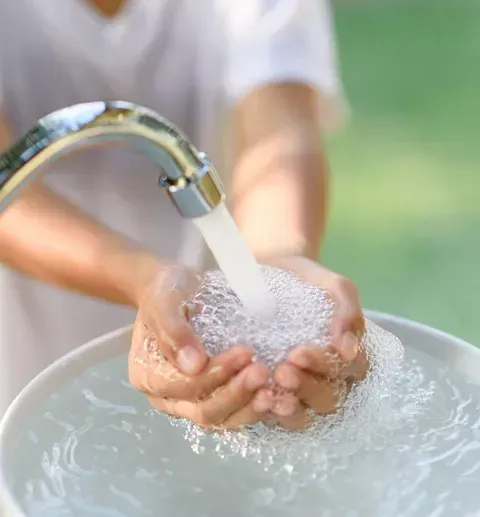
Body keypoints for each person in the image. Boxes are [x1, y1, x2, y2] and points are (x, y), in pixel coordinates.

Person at [0, 0, 366, 428]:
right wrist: (143, 279)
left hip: (220, 357)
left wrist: (277, 263)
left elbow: (277, 132)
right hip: (25, 355)